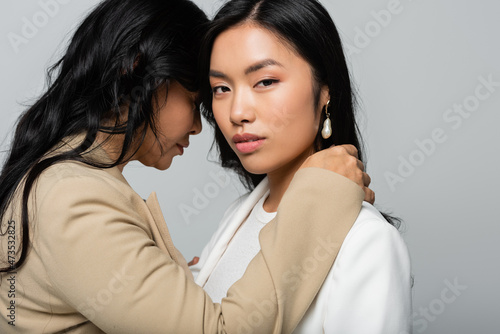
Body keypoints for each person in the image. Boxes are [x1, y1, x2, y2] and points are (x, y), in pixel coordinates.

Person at [0, 0, 374, 333]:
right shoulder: (71, 198)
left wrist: (178, 280)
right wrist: (320, 195)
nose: (200, 125)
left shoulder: (56, 179)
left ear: (324, 89)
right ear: (137, 72)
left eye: (264, 81)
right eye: (201, 97)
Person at [192, 0, 412, 333]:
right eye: (221, 88)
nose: (237, 111)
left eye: (265, 81)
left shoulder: (366, 241)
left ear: (325, 90)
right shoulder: (238, 217)